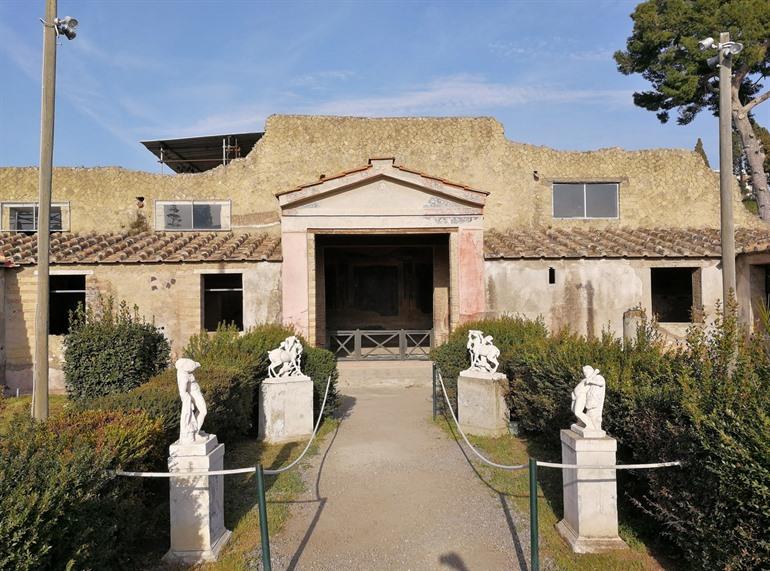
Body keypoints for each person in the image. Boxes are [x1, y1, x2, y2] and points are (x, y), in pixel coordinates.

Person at [176, 358, 207, 443]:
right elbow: (182, 392)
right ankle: (195, 433)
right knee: (203, 411)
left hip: (196, 393)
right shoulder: (183, 376)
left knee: (202, 411)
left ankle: (196, 429)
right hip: (194, 394)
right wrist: (188, 401)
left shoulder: (186, 372)